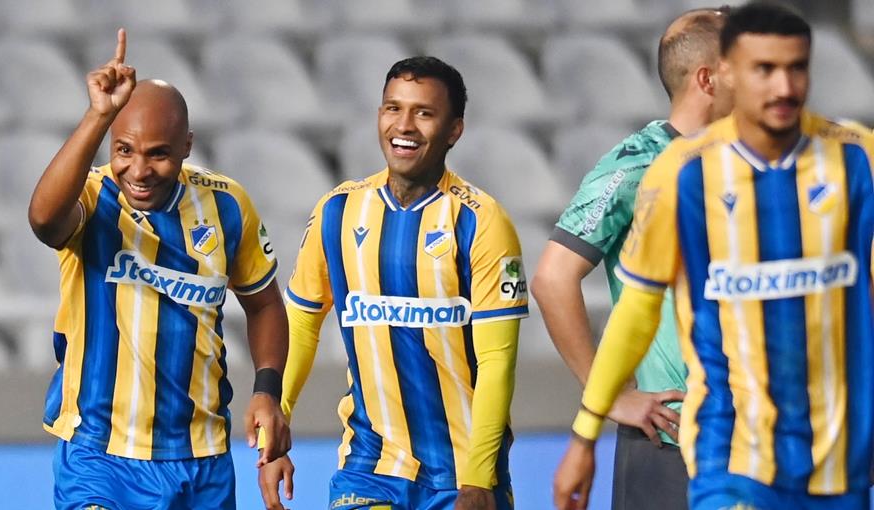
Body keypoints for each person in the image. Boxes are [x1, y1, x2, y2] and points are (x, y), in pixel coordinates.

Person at [553, 3, 874, 509]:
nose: (780, 85)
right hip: (683, 439)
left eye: (792, 67)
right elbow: (573, 284)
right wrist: (600, 409)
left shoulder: (846, 156)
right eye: (756, 67)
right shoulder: (658, 168)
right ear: (715, 76)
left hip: (817, 441)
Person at [28, 29, 291, 509]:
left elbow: (265, 304)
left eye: (158, 154)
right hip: (99, 455)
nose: (139, 171)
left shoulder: (226, 206)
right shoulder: (91, 196)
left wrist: (268, 391)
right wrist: (98, 115)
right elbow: (44, 220)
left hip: (201, 457)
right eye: (124, 150)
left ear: (186, 145)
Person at [258, 56, 525, 510]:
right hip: (369, 466)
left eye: (424, 113)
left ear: (454, 130)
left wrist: (480, 481)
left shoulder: (481, 222)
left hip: (463, 477)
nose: (403, 125)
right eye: (392, 108)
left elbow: (497, 361)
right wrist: (275, 432)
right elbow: (300, 325)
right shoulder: (337, 212)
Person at [531, 7, 730, 510]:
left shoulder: (768, 165)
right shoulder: (638, 164)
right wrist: (613, 396)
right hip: (671, 449)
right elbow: (553, 278)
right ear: (707, 79)